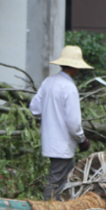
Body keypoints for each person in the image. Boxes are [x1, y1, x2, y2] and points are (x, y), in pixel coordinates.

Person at [30, 46, 93, 200]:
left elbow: (34, 108)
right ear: (76, 68)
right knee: (56, 182)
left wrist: (51, 111)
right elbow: (73, 122)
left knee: (67, 180)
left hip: (50, 141)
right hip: (62, 144)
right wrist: (81, 139)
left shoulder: (49, 82)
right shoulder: (69, 88)